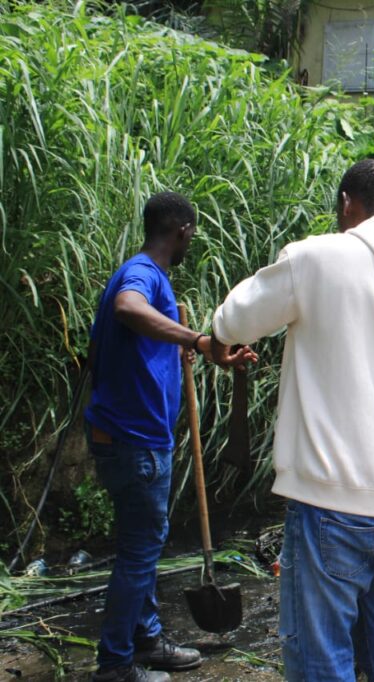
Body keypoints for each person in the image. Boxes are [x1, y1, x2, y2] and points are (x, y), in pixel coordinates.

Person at [209, 159, 374, 680]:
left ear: (348, 203)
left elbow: (235, 319)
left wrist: (219, 341)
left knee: (321, 663)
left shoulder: (317, 259)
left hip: (328, 507)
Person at [85, 192, 253, 682]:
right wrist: (197, 339)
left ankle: (147, 639)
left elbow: (111, 348)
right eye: (191, 236)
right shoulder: (142, 274)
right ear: (182, 231)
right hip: (134, 442)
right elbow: (127, 307)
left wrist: (176, 354)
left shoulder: (144, 274)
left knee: (141, 546)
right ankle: (115, 665)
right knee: (139, 552)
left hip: (128, 437)